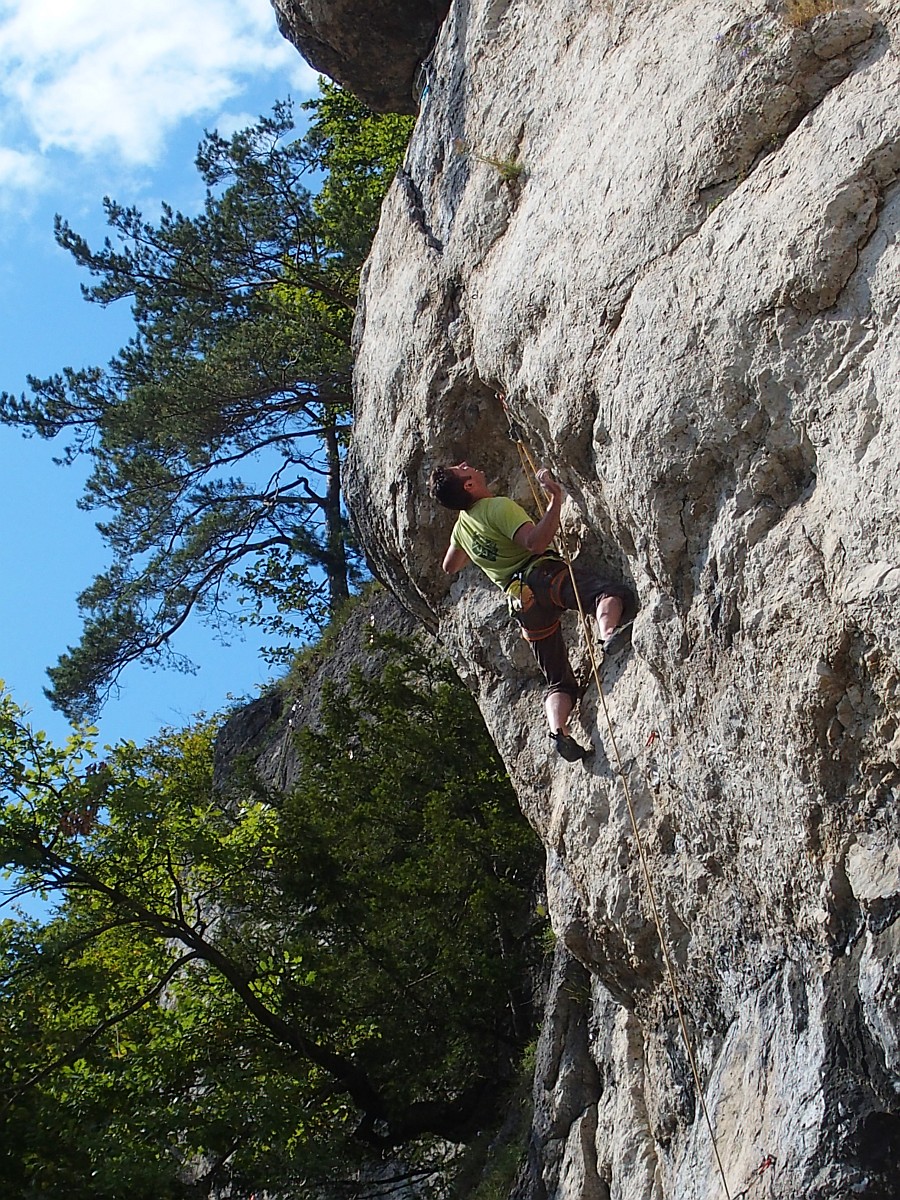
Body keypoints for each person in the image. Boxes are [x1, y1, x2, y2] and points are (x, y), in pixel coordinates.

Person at [430, 460, 637, 763]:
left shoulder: (462, 529)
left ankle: (558, 729)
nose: (466, 465)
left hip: (521, 602)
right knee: (607, 594)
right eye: (461, 469)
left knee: (558, 681)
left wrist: (473, 544)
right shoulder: (497, 507)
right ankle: (609, 635)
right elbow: (535, 543)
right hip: (542, 576)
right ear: (469, 485)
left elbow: (450, 565)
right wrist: (555, 499)